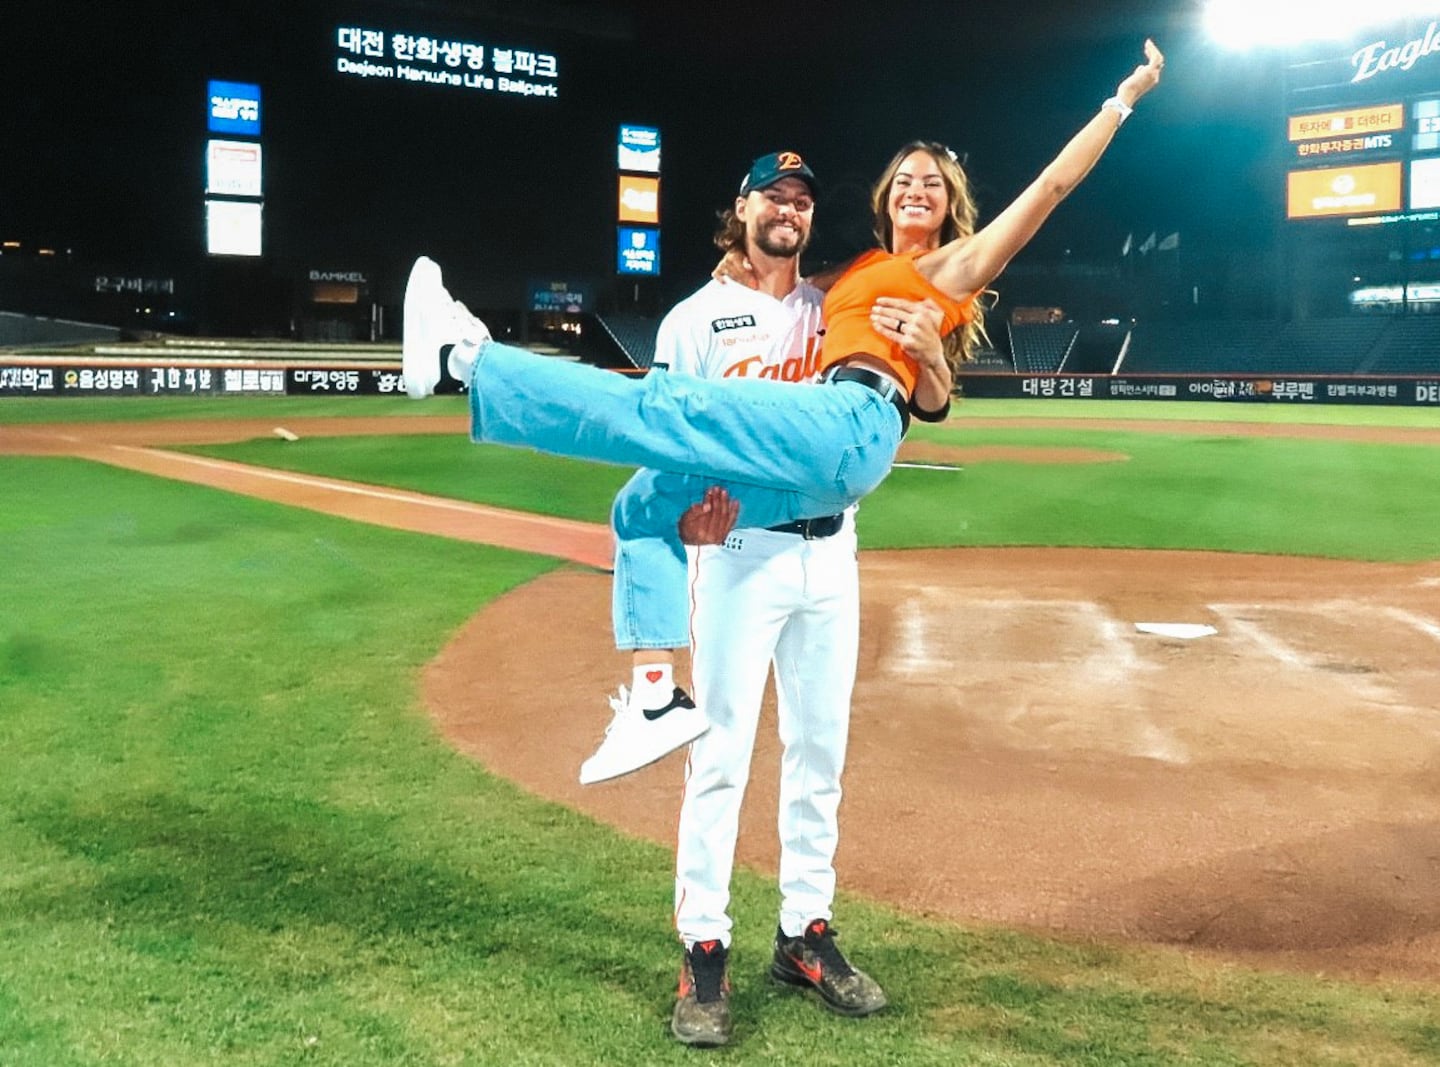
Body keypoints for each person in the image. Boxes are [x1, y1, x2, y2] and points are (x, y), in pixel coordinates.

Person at [402, 38, 1164, 605]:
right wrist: (734, 265)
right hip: (827, 466)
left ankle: (468, 356)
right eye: (905, 180)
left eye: (932, 183)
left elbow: (1052, 186)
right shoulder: (859, 272)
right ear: (886, 196)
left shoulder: (952, 267)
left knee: (666, 408)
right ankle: (657, 688)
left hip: (851, 418)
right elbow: (782, 268)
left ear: (949, 201)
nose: (917, 190)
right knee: (652, 501)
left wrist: (1121, 100)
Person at [644, 153, 951, 1047]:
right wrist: (680, 522)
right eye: (773, 196)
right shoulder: (694, 319)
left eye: (803, 199)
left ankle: (805, 933)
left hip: (833, 552)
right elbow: (666, 433)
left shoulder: (836, 306)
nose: (789, 209)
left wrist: (931, 355)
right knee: (722, 755)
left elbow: (927, 404)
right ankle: (704, 945)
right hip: (739, 556)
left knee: (820, 750)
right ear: (739, 208)